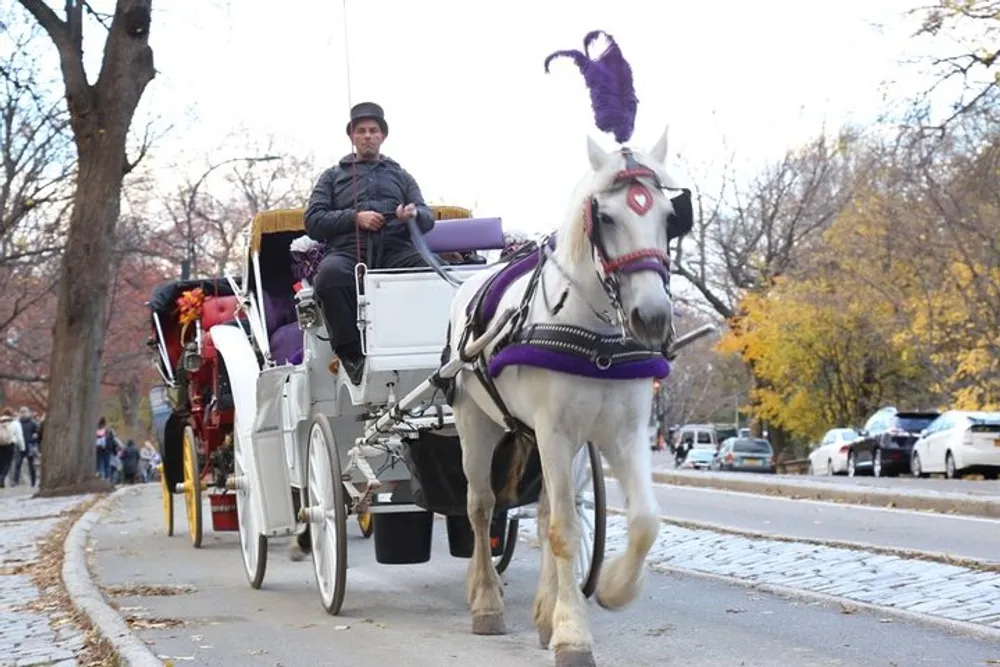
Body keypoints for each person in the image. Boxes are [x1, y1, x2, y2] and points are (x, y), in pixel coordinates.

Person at [304, 101, 436, 385]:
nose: (367, 136)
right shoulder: (332, 177)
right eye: (361, 131)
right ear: (352, 136)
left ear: (382, 136)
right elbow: (313, 221)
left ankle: (424, 343)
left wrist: (412, 214)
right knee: (329, 277)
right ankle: (352, 353)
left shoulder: (402, 176)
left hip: (395, 248)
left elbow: (427, 217)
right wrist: (356, 218)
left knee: (427, 271)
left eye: (373, 130)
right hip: (349, 251)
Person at [0, 408, 25, 487]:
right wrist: (22, 448)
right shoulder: (15, 423)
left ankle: (1, 476)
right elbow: (19, 436)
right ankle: (2, 476)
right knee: (7, 462)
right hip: (10, 444)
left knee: (1, 461)